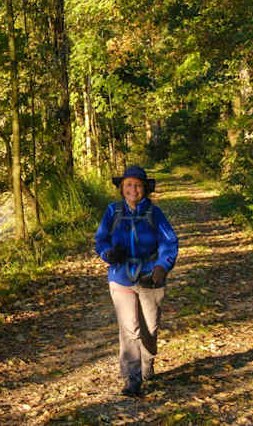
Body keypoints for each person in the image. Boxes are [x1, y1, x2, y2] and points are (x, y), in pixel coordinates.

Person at [94, 165, 179, 398]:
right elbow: (100, 240)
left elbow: (170, 242)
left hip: (151, 277)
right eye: (129, 185)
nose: (133, 189)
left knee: (149, 329)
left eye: (138, 185)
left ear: (146, 188)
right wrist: (107, 254)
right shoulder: (113, 211)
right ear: (122, 188)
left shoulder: (154, 213)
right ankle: (133, 378)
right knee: (130, 328)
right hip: (121, 277)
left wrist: (163, 266)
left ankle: (148, 362)